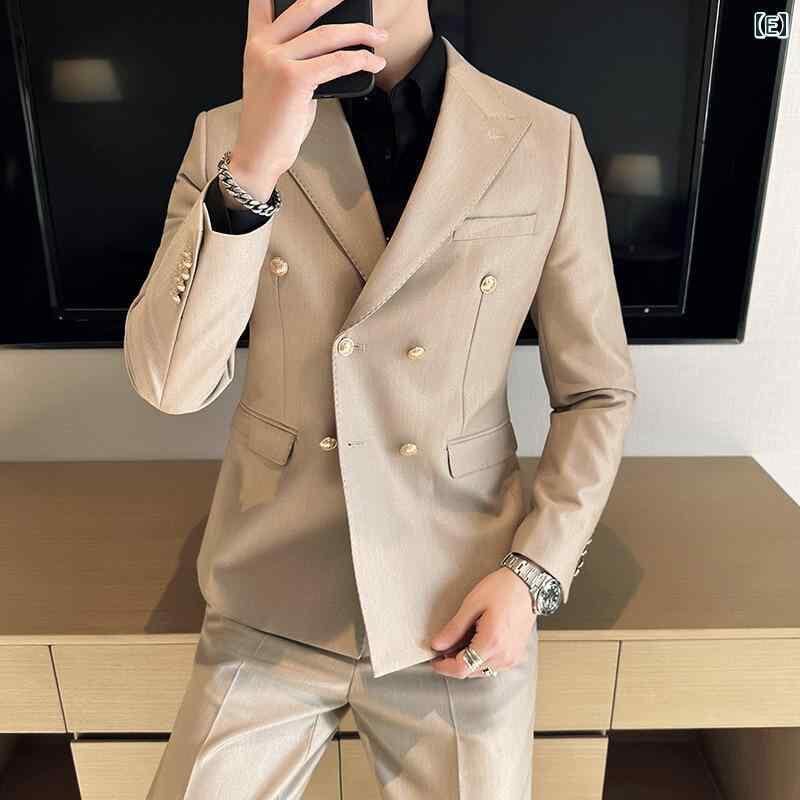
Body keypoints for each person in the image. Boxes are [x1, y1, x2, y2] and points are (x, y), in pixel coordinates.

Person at [124, 0, 638, 796]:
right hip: (272, 592)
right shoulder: (227, 134)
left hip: (458, 594)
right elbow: (170, 384)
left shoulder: (541, 138)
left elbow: (597, 391)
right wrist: (253, 164)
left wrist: (532, 574)